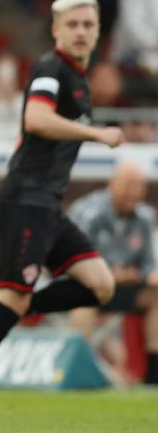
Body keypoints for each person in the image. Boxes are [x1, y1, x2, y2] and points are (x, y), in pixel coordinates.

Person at [0, 0, 124, 418]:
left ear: (98, 32)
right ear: (56, 30)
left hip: (47, 205)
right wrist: (97, 134)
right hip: (25, 199)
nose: (80, 31)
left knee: (100, 285)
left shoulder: (79, 80)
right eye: (72, 24)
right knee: (15, 297)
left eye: (87, 24)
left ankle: (3, 309)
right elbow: (36, 119)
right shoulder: (51, 68)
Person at [68, 163, 158, 386]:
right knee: (83, 303)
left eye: (139, 187)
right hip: (88, 288)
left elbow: (148, 262)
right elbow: (73, 260)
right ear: (112, 185)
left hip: (125, 288)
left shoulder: (145, 217)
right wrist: (108, 274)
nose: (134, 193)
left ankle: (154, 375)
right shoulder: (88, 213)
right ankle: (80, 369)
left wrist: (149, 275)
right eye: (129, 186)